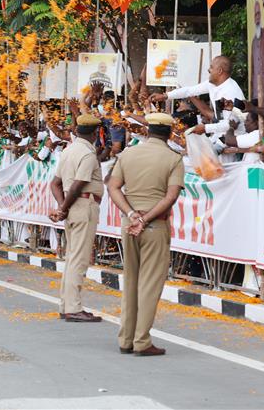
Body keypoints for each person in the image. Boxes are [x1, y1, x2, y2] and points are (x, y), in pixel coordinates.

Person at [107, 113, 184, 357]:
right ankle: (142, 341)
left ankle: (126, 339)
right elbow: (170, 197)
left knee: (130, 280)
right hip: (154, 225)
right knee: (150, 284)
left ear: (147, 131)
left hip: (128, 225)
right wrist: (146, 218)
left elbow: (113, 187)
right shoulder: (173, 158)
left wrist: (131, 214)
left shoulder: (128, 154)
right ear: (170, 133)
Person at [49, 114, 103, 323]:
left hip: (73, 207)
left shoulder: (69, 150)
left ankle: (66, 304)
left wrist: (62, 207)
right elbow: (78, 184)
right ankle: (73, 307)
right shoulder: (87, 154)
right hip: (82, 206)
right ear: (95, 133)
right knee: (78, 258)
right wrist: (63, 208)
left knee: (72, 257)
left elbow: (55, 184)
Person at [151, 56, 244, 124]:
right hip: (222, 135)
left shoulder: (230, 91)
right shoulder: (212, 84)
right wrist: (165, 96)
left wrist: (204, 129)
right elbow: (189, 91)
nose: (208, 70)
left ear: (219, 71)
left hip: (235, 139)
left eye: (211, 67)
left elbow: (228, 124)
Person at [251, 0, 264, 101]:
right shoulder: (254, 40)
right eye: (256, 15)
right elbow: (252, 68)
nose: (257, 18)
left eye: (259, 14)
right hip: (256, 93)